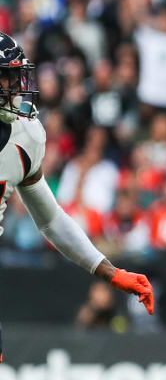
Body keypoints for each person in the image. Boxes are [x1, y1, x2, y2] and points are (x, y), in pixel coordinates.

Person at [0, 32, 153, 355]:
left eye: (16, 75)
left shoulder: (24, 137)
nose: (15, 86)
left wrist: (110, 272)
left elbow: (50, 219)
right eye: (6, 77)